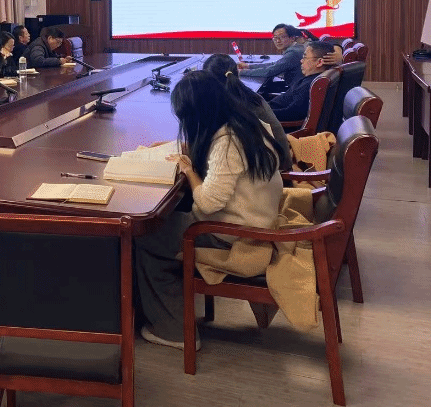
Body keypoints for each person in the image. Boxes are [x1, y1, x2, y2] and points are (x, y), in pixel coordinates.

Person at [135, 71, 283, 349]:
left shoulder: (227, 143)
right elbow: (221, 161)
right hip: (255, 220)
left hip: (233, 234)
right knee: (166, 221)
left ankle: (173, 331)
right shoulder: (246, 122)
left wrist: (189, 170)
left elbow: (207, 202)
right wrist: (178, 148)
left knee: (146, 235)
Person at [202, 54, 292, 171]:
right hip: (279, 161)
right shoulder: (248, 95)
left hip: (274, 170)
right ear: (237, 73)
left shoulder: (229, 104)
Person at [267, 41, 335, 122]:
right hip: (268, 110)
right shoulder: (310, 79)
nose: (301, 61)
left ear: (319, 62)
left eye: (305, 57)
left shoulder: (312, 85)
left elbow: (291, 114)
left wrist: (259, 114)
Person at [237, 23, 307, 89]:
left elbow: (269, 71)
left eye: (282, 37)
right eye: (275, 38)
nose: (278, 41)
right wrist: (248, 66)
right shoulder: (295, 48)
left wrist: (241, 72)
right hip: (294, 86)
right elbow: (274, 64)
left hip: (297, 90)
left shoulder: (293, 52)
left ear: (292, 38)